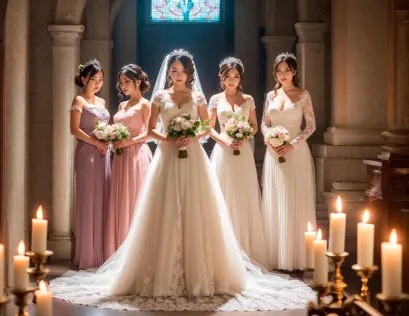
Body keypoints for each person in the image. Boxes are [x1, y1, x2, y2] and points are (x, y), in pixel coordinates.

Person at [49, 50, 314, 312]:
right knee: (163, 211)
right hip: (166, 157)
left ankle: (201, 272)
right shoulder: (160, 97)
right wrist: (169, 139)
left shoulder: (198, 96)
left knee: (196, 209)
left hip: (194, 159)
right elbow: (152, 129)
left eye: (182, 71)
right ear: (169, 72)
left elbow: (204, 126)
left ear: (190, 73)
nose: (177, 75)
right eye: (173, 70)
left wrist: (190, 136)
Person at [208, 57, 267, 267]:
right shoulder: (215, 99)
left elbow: (254, 126)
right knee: (222, 195)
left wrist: (244, 135)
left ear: (240, 78)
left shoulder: (248, 99)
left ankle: (244, 248)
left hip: (242, 152)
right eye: (228, 76)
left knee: (243, 195)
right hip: (223, 151)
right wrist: (224, 138)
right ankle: (222, 251)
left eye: (236, 76)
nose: (231, 80)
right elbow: (209, 127)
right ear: (221, 77)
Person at [261, 52, 317, 271]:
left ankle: (298, 258)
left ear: (294, 71)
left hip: (296, 152)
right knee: (277, 199)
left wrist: (292, 144)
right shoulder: (270, 96)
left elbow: (311, 125)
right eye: (278, 70)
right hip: (274, 152)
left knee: (295, 199)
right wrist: (269, 139)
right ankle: (276, 256)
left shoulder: (303, 95)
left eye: (286, 70)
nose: (282, 74)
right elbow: (265, 123)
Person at [105, 64, 153, 259]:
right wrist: (112, 138)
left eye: (127, 81)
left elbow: (150, 134)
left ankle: (136, 254)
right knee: (120, 198)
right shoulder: (122, 106)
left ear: (138, 82)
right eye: (121, 82)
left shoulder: (145, 104)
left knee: (134, 199)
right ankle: (119, 250)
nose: (123, 86)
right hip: (120, 157)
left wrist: (129, 141)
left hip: (136, 155)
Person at [70, 59, 111, 269]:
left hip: (104, 153)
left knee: (103, 198)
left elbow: (107, 126)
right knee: (88, 200)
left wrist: (107, 140)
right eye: (93, 79)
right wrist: (95, 141)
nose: (97, 83)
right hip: (87, 153)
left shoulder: (102, 102)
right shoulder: (79, 100)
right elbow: (75, 130)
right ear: (84, 79)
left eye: (101, 79)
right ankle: (87, 255)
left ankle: (101, 255)